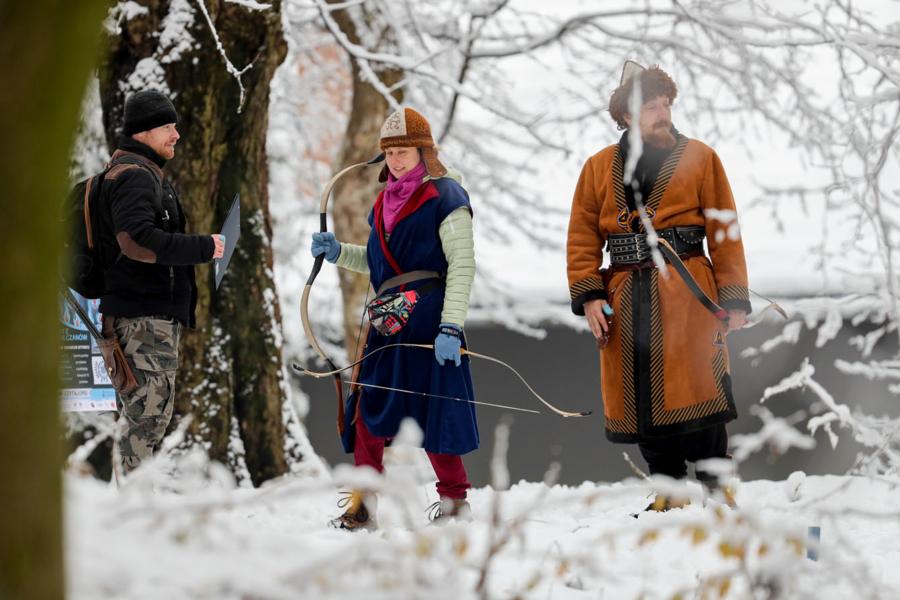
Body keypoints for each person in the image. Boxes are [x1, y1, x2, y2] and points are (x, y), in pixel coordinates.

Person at [566, 63, 751, 511]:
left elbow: (724, 233)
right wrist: (590, 295)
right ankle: (669, 491)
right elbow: (582, 237)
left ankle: (717, 486)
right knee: (641, 392)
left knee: (701, 387)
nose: (663, 113)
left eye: (666, 104)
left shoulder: (701, 158)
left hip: (688, 293)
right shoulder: (596, 169)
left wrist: (734, 299)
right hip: (625, 295)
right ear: (627, 114)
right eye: (652, 106)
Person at [311, 107, 478, 531]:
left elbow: (461, 265)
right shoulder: (384, 201)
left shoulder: (446, 196)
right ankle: (363, 504)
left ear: (424, 151)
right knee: (368, 407)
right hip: (389, 320)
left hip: (430, 320)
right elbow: (379, 265)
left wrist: (451, 326)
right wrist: (337, 253)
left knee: (433, 410)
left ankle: (456, 503)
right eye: (389, 153)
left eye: (403, 151)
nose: (396, 160)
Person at [97, 90, 225, 477]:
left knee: (145, 419)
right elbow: (136, 240)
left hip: (142, 319)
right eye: (168, 127)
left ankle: (132, 512)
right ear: (143, 131)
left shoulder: (137, 171)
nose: (176, 135)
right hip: (141, 320)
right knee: (145, 421)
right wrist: (204, 247)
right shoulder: (135, 176)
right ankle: (134, 518)